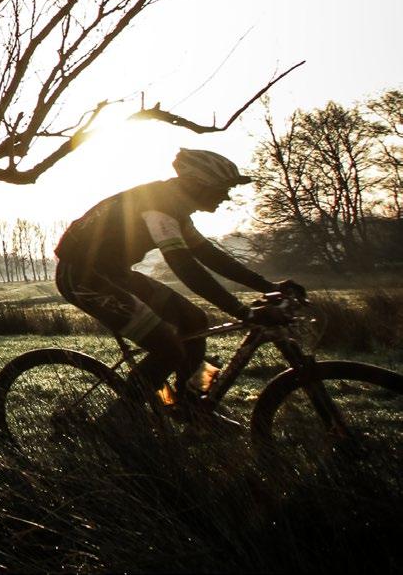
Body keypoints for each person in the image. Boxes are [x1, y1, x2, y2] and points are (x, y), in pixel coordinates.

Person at [55, 148, 304, 409]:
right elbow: (185, 267)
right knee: (169, 350)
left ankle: (189, 406)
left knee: (195, 321)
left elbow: (211, 257)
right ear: (199, 184)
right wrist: (241, 311)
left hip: (115, 273)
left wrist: (269, 286)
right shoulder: (159, 207)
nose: (227, 196)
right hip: (82, 277)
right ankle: (116, 425)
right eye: (222, 188)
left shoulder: (175, 207)